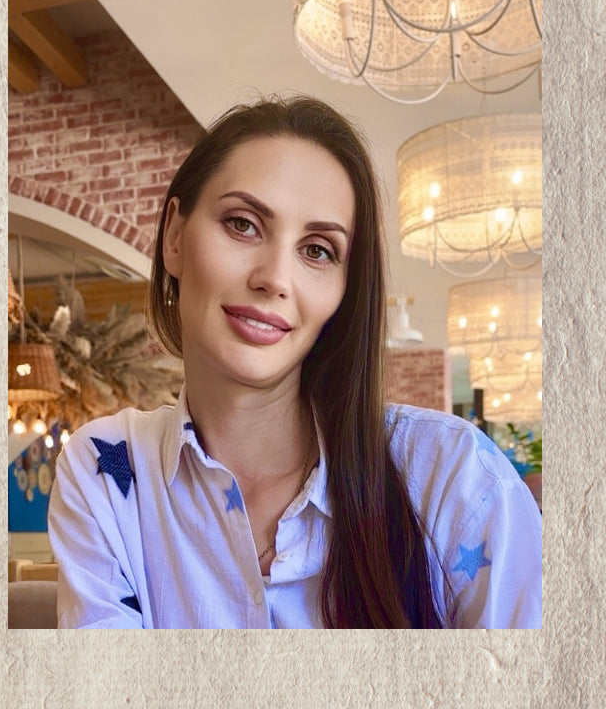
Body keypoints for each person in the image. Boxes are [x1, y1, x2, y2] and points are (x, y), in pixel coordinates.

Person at [48, 96, 542, 628]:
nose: (275, 279)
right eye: (242, 224)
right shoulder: (103, 469)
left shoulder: (455, 479)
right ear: (174, 236)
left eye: (318, 250)